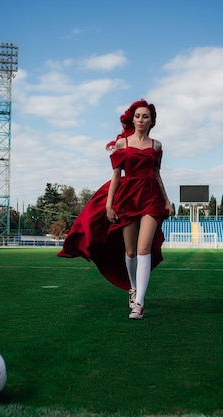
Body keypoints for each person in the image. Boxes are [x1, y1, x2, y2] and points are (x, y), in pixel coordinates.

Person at [57, 99, 174, 319]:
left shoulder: (156, 146)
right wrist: (110, 205)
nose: (140, 120)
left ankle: (138, 303)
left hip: (150, 197)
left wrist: (166, 201)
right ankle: (133, 289)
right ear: (133, 118)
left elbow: (157, 175)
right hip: (127, 197)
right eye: (137, 116)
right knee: (130, 251)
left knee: (143, 248)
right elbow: (115, 177)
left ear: (152, 121)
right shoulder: (122, 145)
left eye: (145, 116)